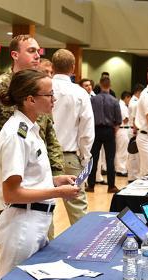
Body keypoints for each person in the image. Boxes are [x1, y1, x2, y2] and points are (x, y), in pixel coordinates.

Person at [0, 34, 66, 280]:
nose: (37, 55)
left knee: (36, 263)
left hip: (34, 187)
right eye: (32, 50)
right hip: (10, 182)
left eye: (39, 51)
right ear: (15, 54)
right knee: (1, 255)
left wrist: (55, 176)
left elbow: (50, 138)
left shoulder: (40, 90)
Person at [0, 69, 79, 280]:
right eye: (49, 95)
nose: (54, 99)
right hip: (22, 225)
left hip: (36, 220)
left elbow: (28, 179)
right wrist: (58, 192)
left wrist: (55, 181)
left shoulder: (30, 129)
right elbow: (11, 192)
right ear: (30, 99)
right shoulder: (16, 134)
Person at [51, 49, 95, 224]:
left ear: (52, 67)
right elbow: (86, 130)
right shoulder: (80, 93)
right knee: (77, 208)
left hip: (42, 157)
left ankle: (43, 249)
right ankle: (82, 247)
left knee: (41, 207)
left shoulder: (41, 87)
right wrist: (85, 156)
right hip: (69, 156)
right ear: (73, 68)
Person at [87, 77, 122, 193]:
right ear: (110, 85)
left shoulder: (93, 100)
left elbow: (89, 117)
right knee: (110, 159)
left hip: (95, 130)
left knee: (94, 158)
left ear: (100, 85)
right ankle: (111, 186)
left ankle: (91, 185)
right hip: (109, 130)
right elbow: (118, 120)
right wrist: (113, 132)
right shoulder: (114, 101)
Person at [127, 83, 144, 182]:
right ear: (139, 92)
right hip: (134, 130)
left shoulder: (134, 101)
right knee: (134, 155)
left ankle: (132, 175)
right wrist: (135, 131)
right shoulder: (135, 102)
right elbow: (134, 119)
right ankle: (133, 176)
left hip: (133, 129)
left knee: (133, 155)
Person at [115, 91, 131, 176]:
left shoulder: (120, 104)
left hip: (121, 130)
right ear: (127, 97)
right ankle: (121, 169)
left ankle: (120, 168)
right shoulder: (122, 106)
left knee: (120, 150)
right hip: (122, 129)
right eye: (129, 98)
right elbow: (125, 119)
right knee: (122, 151)